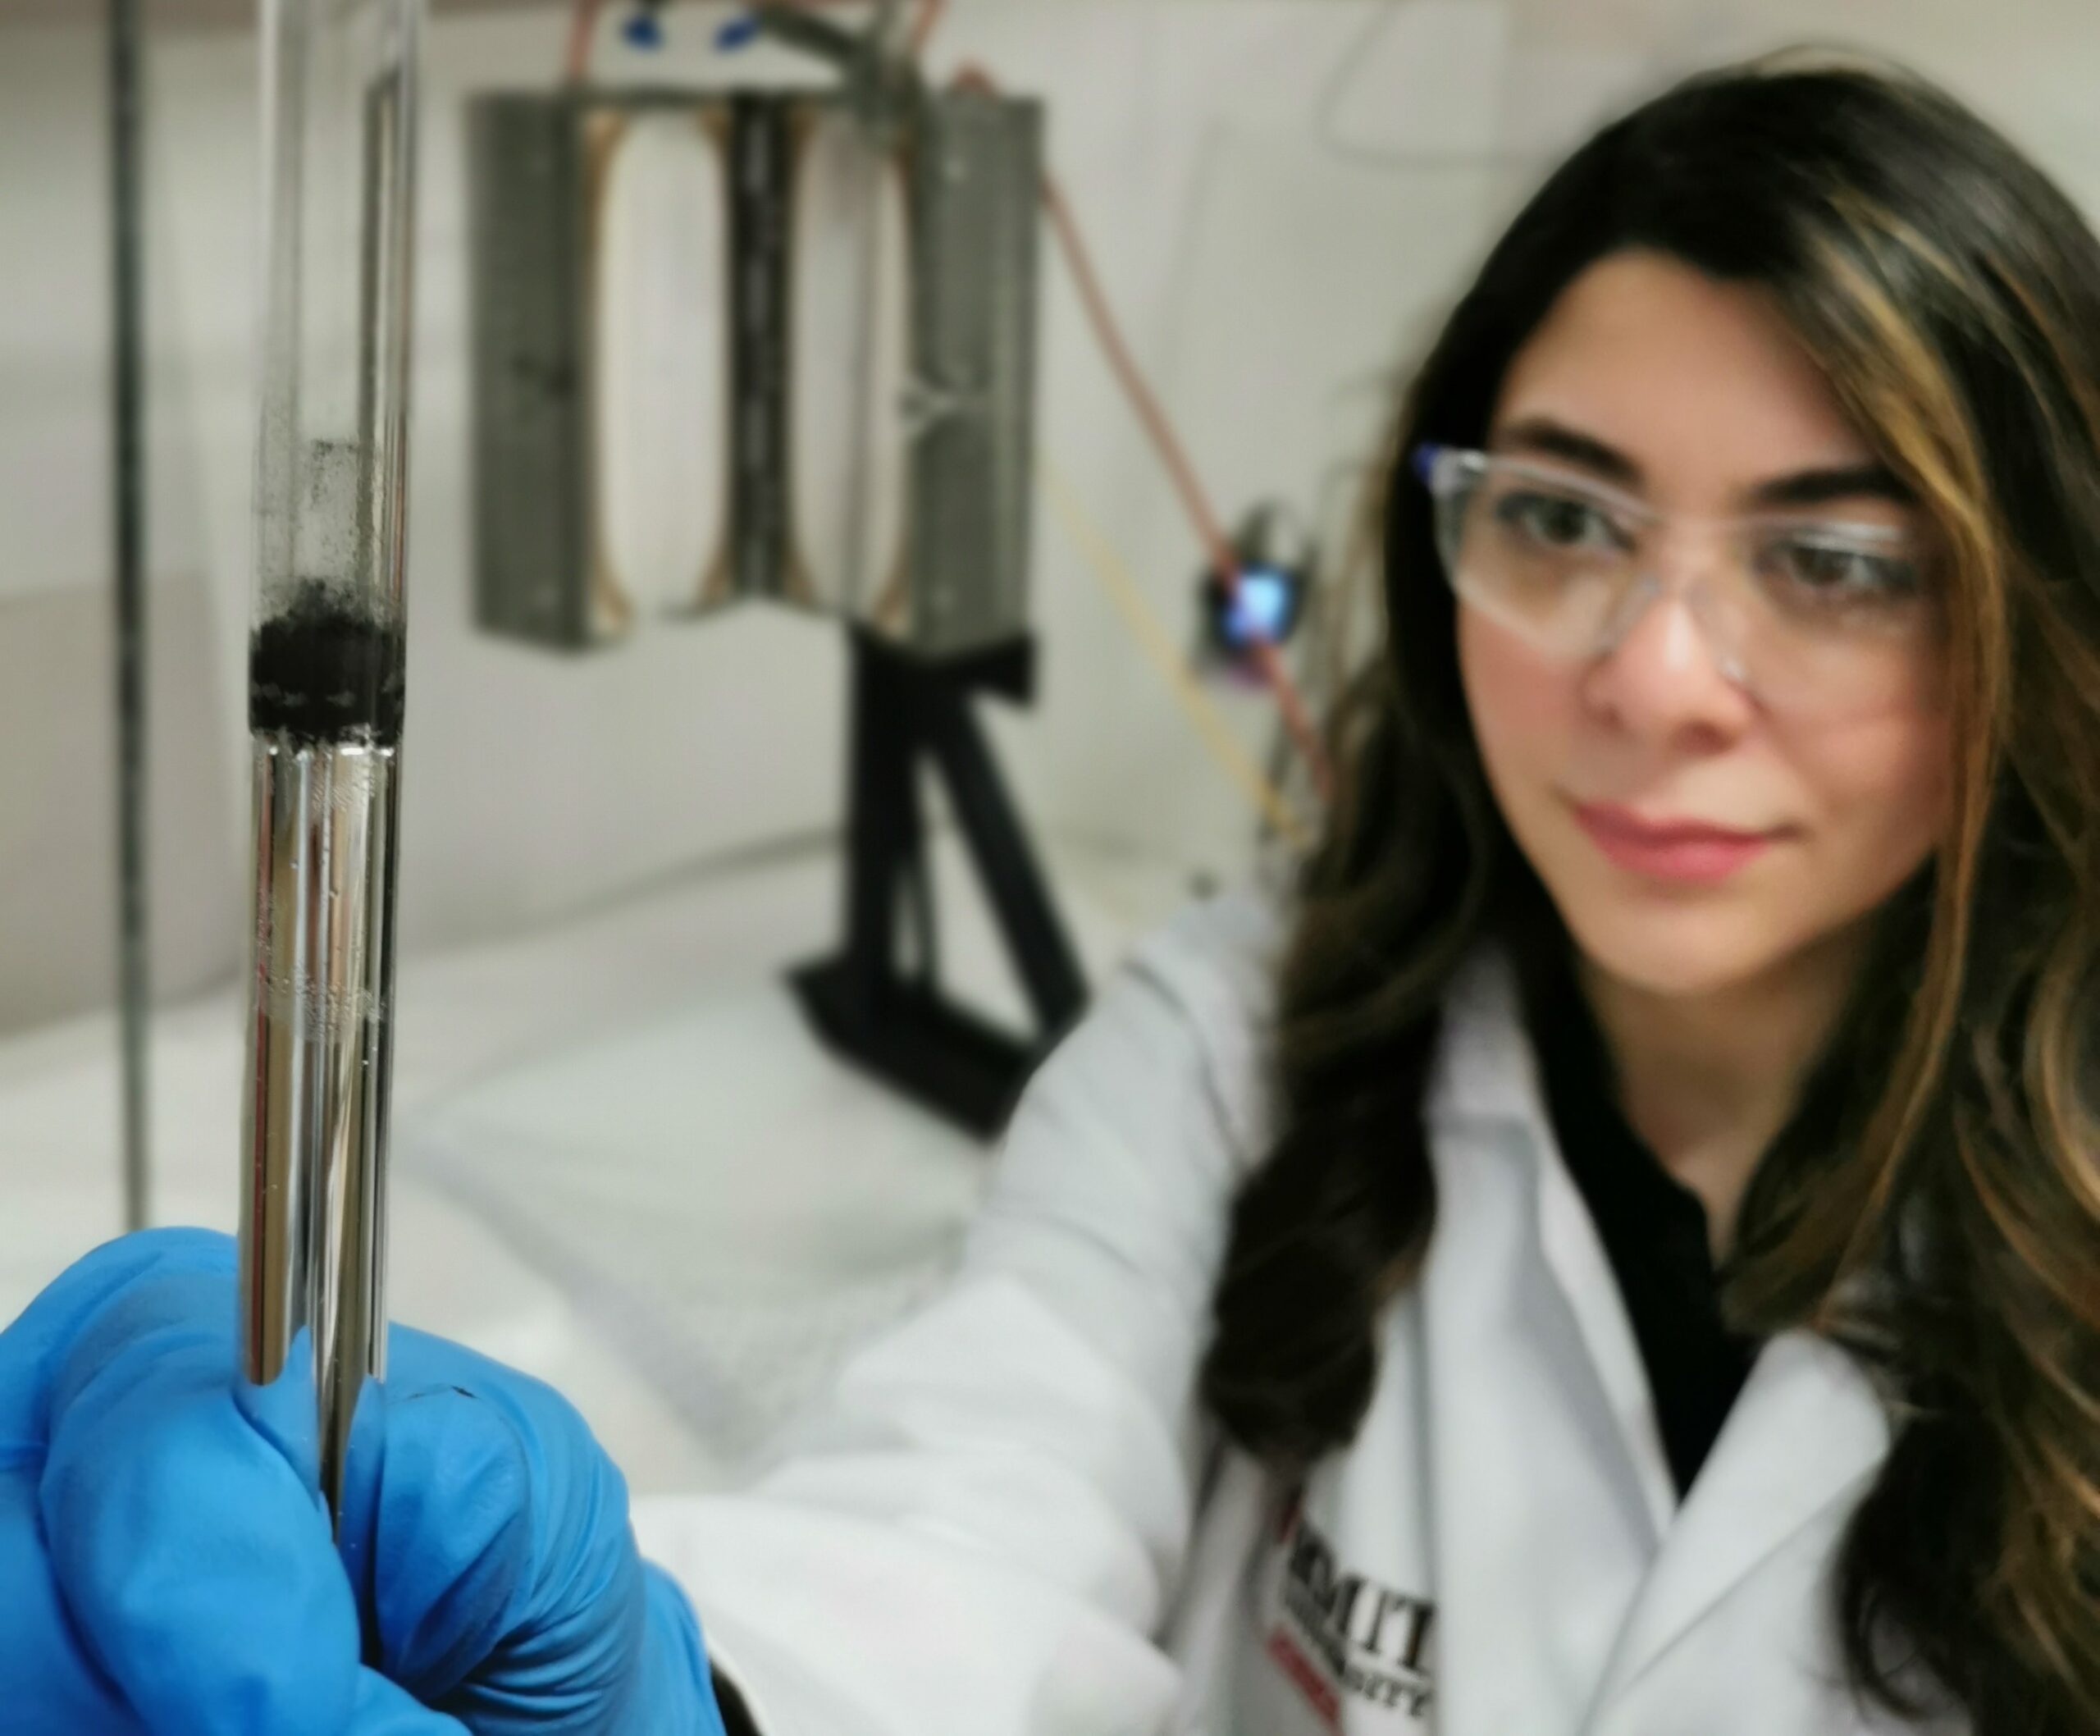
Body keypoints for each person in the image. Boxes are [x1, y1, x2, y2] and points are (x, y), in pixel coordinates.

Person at [5, 49, 2098, 1735]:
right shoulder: (1242, 1040)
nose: (1647, 676)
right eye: (1557, 515)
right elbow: (963, 1539)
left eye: (1832, 561)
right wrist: (672, 1698)